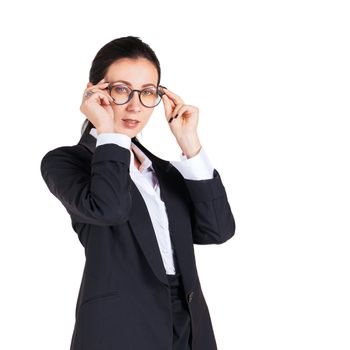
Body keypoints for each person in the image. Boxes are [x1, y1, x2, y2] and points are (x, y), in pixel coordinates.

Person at [40, 35, 236, 350]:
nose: (135, 105)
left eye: (147, 93)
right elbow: (110, 209)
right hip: (120, 330)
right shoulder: (66, 162)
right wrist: (107, 131)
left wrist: (190, 145)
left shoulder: (164, 171)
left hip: (189, 327)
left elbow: (218, 229)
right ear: (95, 90)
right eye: (121, 90)